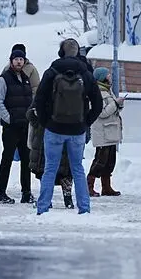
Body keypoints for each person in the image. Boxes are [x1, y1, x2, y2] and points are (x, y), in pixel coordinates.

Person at [33, 38, 101, 215]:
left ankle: (43, 207)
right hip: (77, 129)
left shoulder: (52, 70)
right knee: (77, 168)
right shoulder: (85, 73)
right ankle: (84, 208)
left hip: (54, 128)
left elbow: (39, 99)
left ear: (61, 52)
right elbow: (98, 103)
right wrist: (86, 123)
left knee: (50, 168)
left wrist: (46, 121)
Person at [0, 47, 35, 204]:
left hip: (25, 125)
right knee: (7, 158)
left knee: (26, 160)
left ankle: (26, 192)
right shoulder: (4, 79)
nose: (19, 61)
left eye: (21, 59)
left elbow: (29, 99)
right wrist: (8, 118)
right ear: (11, 61)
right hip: (11, 127)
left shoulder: (25, 78)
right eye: (16, 59)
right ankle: (0, 192)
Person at [88, 67, 124, 197]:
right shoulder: (97, 92)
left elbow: (113, 110)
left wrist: (119, 105)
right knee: (100, 160)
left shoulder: (107, 91)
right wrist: (115, 103)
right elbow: (101, 113)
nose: (110, 76)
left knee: (110, 161)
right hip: (102, 132)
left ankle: (106, 187)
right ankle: (89, 185)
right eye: (107, 74)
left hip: (111, 131)